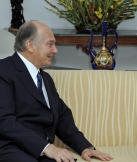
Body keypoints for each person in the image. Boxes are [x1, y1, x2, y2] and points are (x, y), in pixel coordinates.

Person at [0, 20, 113, 162]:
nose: (55, 50)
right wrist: (47, 148)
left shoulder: (45, 78)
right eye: (50, 44)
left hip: (41, 152)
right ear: (30, 45)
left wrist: (85, 147)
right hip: (11, 149)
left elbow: (62, 118)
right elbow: (4, 121)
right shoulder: (3, 70)